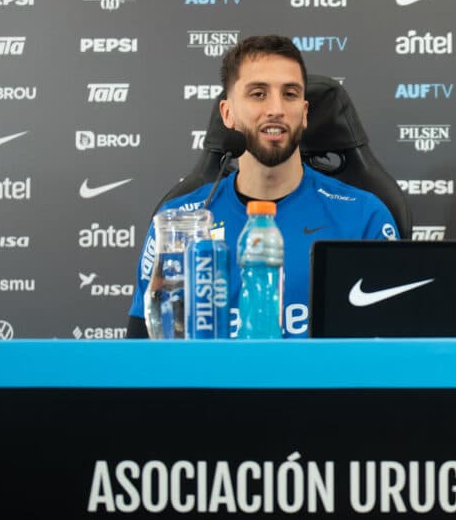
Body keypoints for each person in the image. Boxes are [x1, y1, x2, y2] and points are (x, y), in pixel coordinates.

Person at [127, 35, 397, 338]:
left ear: (305, 113)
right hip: (212, 385)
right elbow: (143, 355)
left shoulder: (363, 217)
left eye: (290, 94)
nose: (276, 109)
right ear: (227, 113)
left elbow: (390, 361)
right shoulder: (179, 222)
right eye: (258, 94)